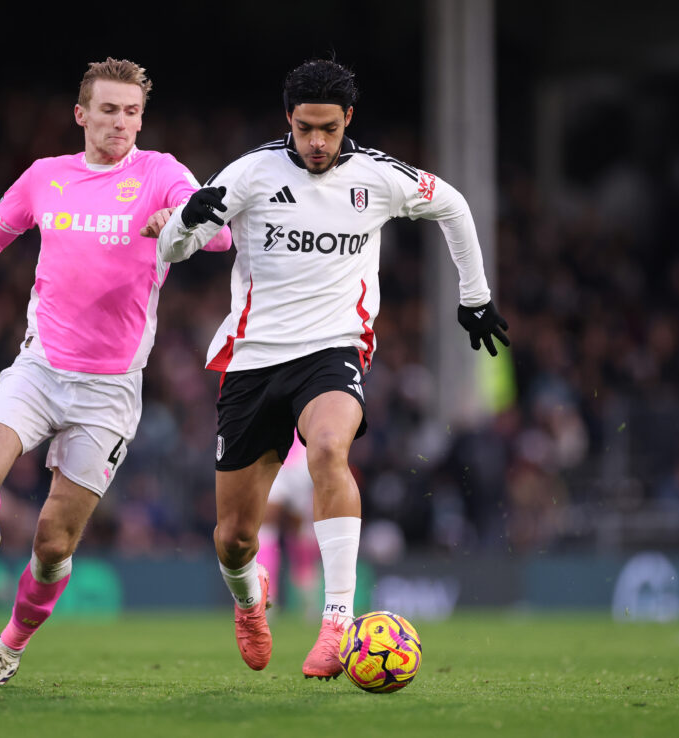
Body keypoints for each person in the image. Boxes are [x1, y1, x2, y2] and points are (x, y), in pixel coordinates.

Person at [0, 57, 231, 686]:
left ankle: (6, 648)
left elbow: (219, 235)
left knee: (53, 544)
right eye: (110, 110)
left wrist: (179, 223)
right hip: (40, 366)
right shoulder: (46, 177)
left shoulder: (160, 172)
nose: (121, 123)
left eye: (132, 112)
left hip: (111, 388)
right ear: (81, 114)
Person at [155, 59, 509, 679]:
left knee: (327, 451)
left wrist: (474, 295)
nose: (316, 142)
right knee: (233, 537)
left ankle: (338, 623)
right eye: (304, 128)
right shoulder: (249, 173)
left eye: (328, 128)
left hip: (333, 350)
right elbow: (172, 252)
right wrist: (187, 218)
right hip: (254, 360)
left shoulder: (379, 176)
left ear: (348, 119)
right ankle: (248, 600)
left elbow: (454, 206)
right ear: (287, 119)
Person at [256, 434, 320, 613]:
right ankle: (266, 601)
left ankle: (308, 600)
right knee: (266, 526)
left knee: (301, 533)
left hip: (300, 457)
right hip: (272, 453)